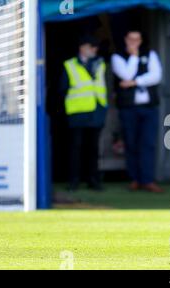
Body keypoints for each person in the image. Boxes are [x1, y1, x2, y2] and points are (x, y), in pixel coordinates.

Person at [112, 29, 163, 193]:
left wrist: (134, 82)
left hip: (149, 108)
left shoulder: (150, 54)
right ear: (125, 39)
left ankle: (148, 180)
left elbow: (156, 76)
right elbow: (125, 73)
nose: (134, 42)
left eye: (137, 39)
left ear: (141, 40)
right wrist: (133, 57)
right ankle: (134, 179)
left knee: (148, 144)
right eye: (131, 39)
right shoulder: (117, 56)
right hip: (128, 108)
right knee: (131, 143)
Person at [60, 35, 108, 192]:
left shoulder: (100, 64)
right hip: (77, 112)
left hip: (96, 111)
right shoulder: (70, 65)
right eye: (91, 46)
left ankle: (93, 180)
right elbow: (62, 89)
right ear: (82, 48)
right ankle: (74, 180)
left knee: (93, 148)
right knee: (75, 148)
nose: (94, 49)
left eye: (95, 47)